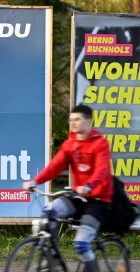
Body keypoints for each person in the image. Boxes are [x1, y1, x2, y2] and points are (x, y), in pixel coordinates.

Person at [23, 104, 113, 272]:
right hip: (79, 196)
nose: (73, 123)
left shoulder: (100, 144)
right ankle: (52, 259)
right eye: (71, 120)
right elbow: (54, 167)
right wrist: (35, 181)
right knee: (48, 212)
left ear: (89, 121)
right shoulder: (70, 144)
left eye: (77, 119)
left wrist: (88, 185)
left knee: (81, 244)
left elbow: (102, 170)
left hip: (99, 201)